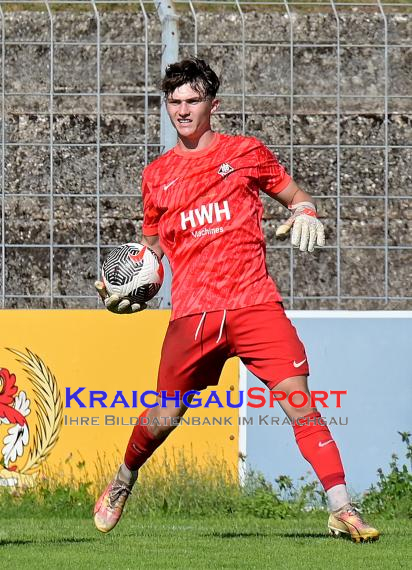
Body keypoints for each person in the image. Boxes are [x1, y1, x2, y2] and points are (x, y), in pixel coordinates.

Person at [93, 57, 379, 543]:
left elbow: (295, 195)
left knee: (300, 403)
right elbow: (152, 250)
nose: (182, 110)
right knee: (163, 418)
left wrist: (306, 211)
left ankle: (342, 507)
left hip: (254, 304)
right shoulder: (157, 175)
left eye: (192, 101)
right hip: (193, 314)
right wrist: (122, 283)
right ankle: (123, 480)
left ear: (212, 105)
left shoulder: (246, 152)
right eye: (174, 101)